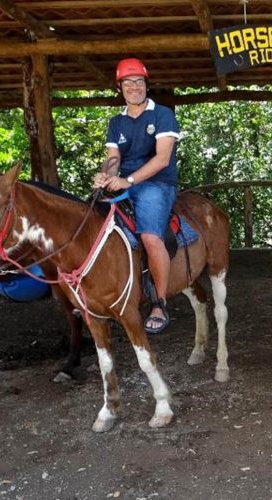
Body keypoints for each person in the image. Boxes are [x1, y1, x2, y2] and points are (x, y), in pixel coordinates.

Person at [93, 58, 180, 335]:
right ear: (120, 87)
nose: (134, 87)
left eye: (139, 82)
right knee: (90, 220)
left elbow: (163, 158)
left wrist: (127, 180)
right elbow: (113, 158)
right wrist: (106, 175)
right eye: (128, 82)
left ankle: (159, 303)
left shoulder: (162, 114)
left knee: (150, 236)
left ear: (146, 85)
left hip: (157, 183)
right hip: (122, 181)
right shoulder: (116, 122)